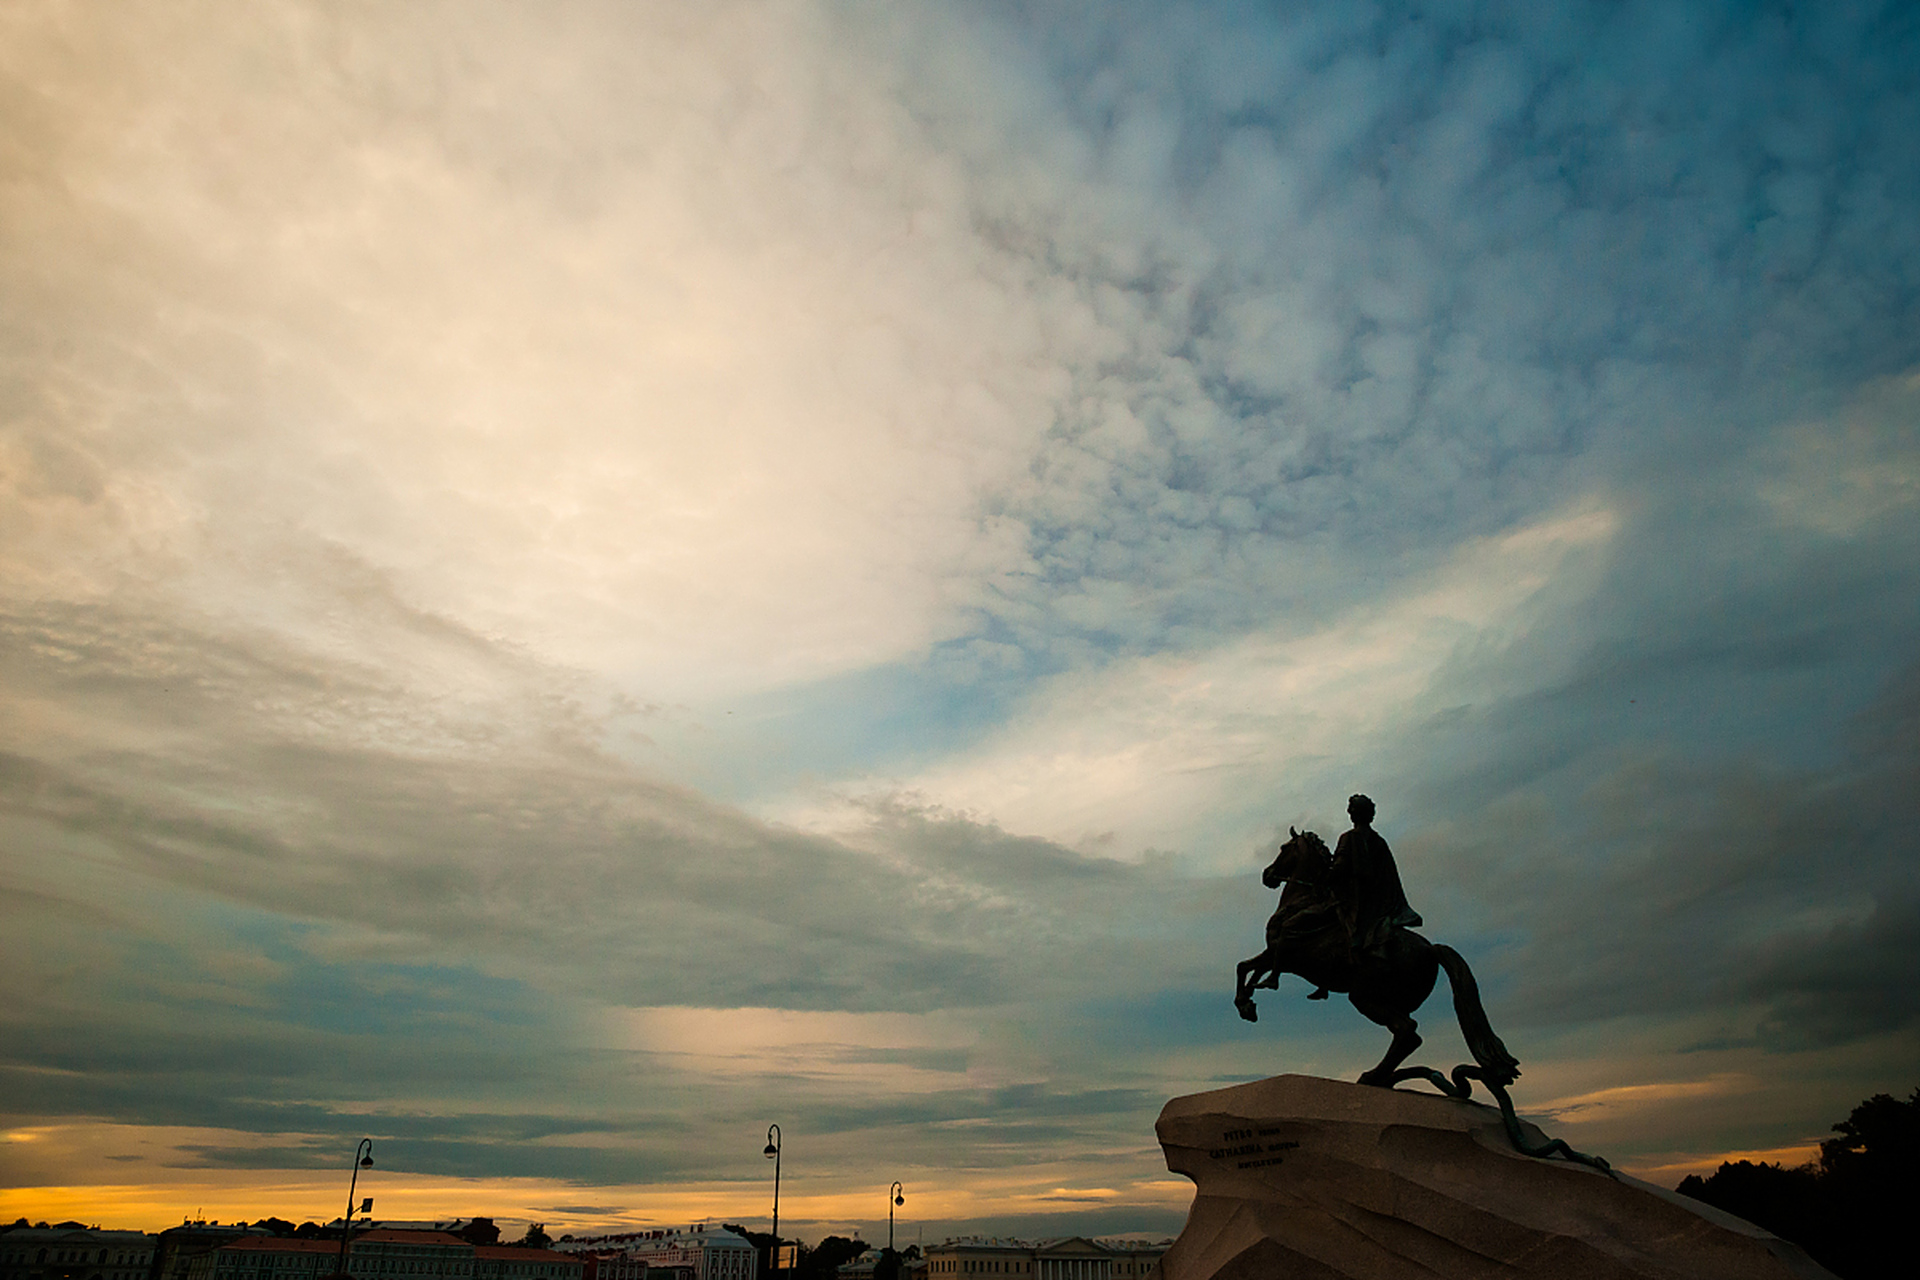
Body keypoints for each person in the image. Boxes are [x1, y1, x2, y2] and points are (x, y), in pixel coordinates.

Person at [1328, 793, 1422, 964]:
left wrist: (1325, 875)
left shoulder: (1348, 837)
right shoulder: (1379, 841)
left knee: (1327, 919)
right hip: (1380, 900)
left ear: (1353, 814)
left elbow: (1340, 868)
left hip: (1358, 899)